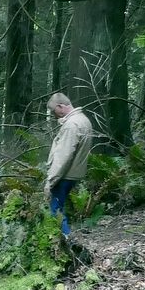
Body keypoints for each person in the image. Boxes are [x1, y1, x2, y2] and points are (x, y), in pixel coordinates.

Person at [45, 93, 94, 236]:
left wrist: (51, 180)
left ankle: (66, 242)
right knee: (59, 208)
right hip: (74, 173)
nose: (55, 115)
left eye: (55, 111)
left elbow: (63, 156)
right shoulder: (84, 120)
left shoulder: (71, 125)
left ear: (61, 106)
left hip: (64, 174)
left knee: (56, 210)